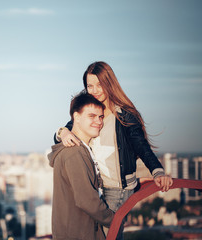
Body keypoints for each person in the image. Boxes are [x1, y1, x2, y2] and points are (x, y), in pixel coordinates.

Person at [54, 61, 173, 239]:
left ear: (109, 83)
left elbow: (141, 146)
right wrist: (62, 132)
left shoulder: (124, 115)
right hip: (99, 187)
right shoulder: (92, 112)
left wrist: (158, 172)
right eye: (89, 86)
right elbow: (68, 130)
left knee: (109, 235)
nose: (94, 90)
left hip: (116, 190)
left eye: (99, 85)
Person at [48, 92, 114, 240]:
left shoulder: (81, 149)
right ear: (76, 117)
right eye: (92, 116)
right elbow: (87, 201)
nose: (98, 121)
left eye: (100, 116)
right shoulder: (75, 153)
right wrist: (115, 220)